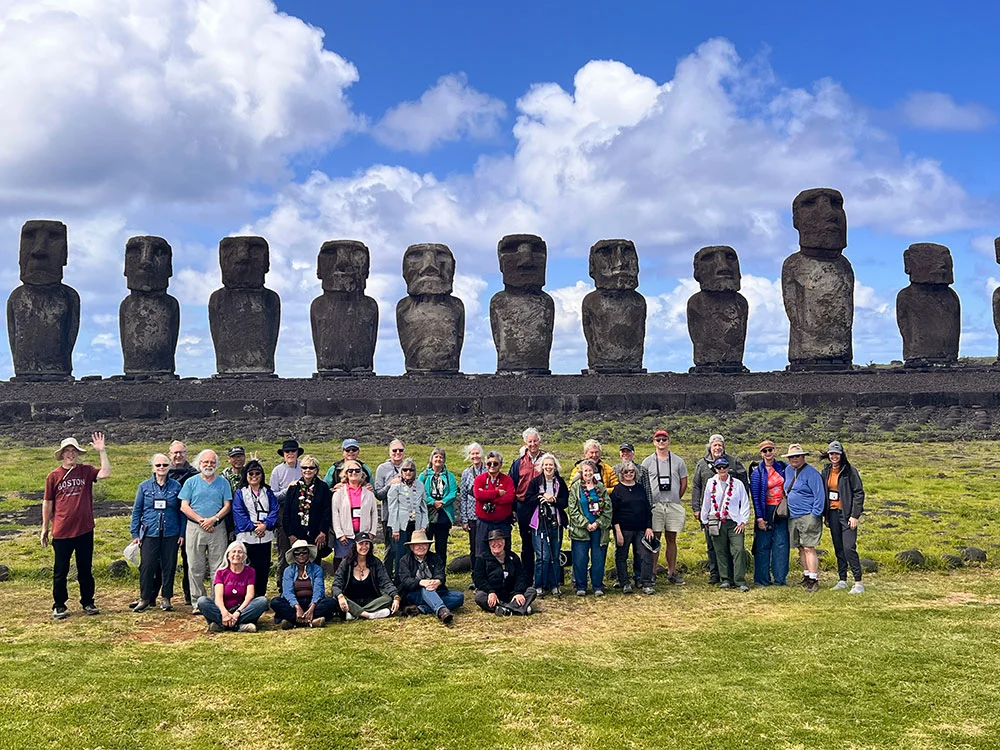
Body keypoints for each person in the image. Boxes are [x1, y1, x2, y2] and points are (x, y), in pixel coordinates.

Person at [42, 433, 111, 619]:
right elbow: (47, 502)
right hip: (62, 531)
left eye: (73, 451)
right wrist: (44, 528)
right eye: (67, 451)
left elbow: (105, 473)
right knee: (60, 570)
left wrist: (102, 451)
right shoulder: (53, 476)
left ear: (77, 454)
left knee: (85, 569)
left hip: (84, 530)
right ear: (62, 454)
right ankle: (59, 605)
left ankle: (88, 602)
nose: (71, 454)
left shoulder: (85, 471)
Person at [179, 449, 233, 613]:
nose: (209, 465)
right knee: (195, 566)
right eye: (205, 462)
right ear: (199, 463)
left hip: (217, 528)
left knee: (218, 567)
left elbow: (227, 506)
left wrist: (214, 519)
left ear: (216, 465)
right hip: (195, 528)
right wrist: (201, 520)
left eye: (212, 462)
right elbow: (184, 506)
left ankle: (216, 600)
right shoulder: (191, 482)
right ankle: (198, 602)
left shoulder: (223, 482)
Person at [690, 433, 747, 585]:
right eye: (714, 445)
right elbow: (696, 486)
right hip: (711, 514)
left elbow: (743, 486)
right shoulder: (702, 464)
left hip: (732, 514)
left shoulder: (734, 462)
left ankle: (735, 577)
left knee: (734, 548)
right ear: (710, 447)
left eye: (720, 445)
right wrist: (696, 508)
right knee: (713, 546)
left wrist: (741, 514)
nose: (717, 447)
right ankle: (716, 575)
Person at [129, 453, 183, 612]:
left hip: (171, 532)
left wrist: (182, 533)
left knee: (169, 566)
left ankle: (166, 598)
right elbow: (137, 511)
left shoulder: (176, 486)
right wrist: (135, 534)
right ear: (153, 467)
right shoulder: (144, 487)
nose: (161, 468)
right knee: (147, 566)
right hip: (149, 532)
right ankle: (144, 598)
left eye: (165, 465)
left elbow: (181, 512)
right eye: (158, 465)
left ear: (170, 467)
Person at [640, 430, 689, 585]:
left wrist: (675, 497)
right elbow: (642, 483)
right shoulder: (647, 462)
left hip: (673, 504)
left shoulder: (678, 461)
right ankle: (652, 572)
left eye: (664, 439)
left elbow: (684, 483)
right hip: (655, 505)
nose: (661, 442)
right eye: (658, 440)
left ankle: (672, 572)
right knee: (654, 539)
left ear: (669, 441)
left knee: (671, 539)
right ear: (654, 442)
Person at [699, 457, 751, 592]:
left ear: (728, 468)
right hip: (717, 521)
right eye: (719, 467)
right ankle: (725, 579)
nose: (722, 470)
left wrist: (743, 521)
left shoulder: (738, 484)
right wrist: (705, 520)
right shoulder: (711, 483)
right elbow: (706, 502)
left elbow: (745, 503)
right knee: (720, 550)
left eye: (724, 467)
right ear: (715, 469)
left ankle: (739, 580)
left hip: (734, 522)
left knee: (738, 550)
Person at [821, 441, 866, 594]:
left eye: (836, 453)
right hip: (833, 514)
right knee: (839, 547)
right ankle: (842, 580)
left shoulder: (849, 471)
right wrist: (825, 515)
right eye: (831, 453)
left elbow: (859, 493)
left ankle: (858, 582)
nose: (834, 456)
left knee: (849, 547)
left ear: (841, 454)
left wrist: (854, 515)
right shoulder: (826, 470)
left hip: (846, 514)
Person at [197, 541, 269, 632]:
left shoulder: (250, 571)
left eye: (240, 552)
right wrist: (224, 613)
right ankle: (238, 626)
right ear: (228, 555)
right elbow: (218, 597)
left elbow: (249, 596)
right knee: (202, 601)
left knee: (263, 601)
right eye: (233, 552)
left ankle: (222, 625)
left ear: (244, 556)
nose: (236, 554)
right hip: (223, 609)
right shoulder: (221, 572)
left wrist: (237, 613)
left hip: (242, 609)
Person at [231, 459, 279, 597]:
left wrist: (266, 525)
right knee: (245, 568)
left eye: (257, 473)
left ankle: (260, 597)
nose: (254, 476)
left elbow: (274, 510)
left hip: (265, 537)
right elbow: (238, 512)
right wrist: (253, 527)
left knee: (262, 569)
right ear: (246, 475)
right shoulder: (241, 492)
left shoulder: (267, 491)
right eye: (250, 473)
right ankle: (243, 596)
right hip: (246, 538)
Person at [782, 444, 826, 593]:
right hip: (793, 516)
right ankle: (806, 576)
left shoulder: (812, 473)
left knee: (808, 547)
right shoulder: (788, 471)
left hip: (808, 515)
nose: (794, 459)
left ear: (803, 457)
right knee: (800, 547)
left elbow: (819, 495)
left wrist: (815, 514)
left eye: (797, 456)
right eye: (791, 457)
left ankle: (814, 579)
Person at [397, 529, 465, 623]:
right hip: (414, 594)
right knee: (426, 588)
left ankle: (421, 609)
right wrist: (421, 582)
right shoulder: (404, 560)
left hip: (436, 591)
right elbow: (406, 581)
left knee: (459, 597)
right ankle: (441, 610)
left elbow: (441, 574)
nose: (421, 547)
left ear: (428, 546)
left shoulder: (435, 558)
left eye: (424, 544)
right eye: (418, 545)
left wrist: (438, 581)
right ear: (411, 547)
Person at [523, 453, 568, 597]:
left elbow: (565, 501)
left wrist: (554, 500)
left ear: (555, 467)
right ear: (541, 466)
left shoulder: (560, 482)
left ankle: (553, 585)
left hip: (556, 522)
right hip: (539, 523)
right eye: (546, 464)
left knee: (555, 555)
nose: (548, 467)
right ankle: (539, 585)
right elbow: (528, 499)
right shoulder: (535, 482)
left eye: (551, 465)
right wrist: (540, 497)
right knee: (542, 556)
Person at [331, 532, 401, 620]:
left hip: (372, 601)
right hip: (351, 601)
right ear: (355, 545)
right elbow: (336, 584)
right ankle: (369, 615)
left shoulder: (375, 562)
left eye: (367, 544)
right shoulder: (346, 563)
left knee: (388, 598)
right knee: (336, 598)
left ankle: (356, 614)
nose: (364, 547)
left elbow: (386, 582)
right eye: (361, 544)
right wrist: (340, 596)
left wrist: (396, 596)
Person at [567, 459, 611, 597]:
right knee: (580, 558)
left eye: (590, 471)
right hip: (581, 529)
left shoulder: (601, 488)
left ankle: (597, 585)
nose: (588, 473)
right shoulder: (576, 487)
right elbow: (572, 509)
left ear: (594, 472)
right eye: (585, 471)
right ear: (581, 472)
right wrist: (585, 524)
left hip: (599, 529)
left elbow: (608, 509)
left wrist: (597, 523)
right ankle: (581, 586)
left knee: (598, 558)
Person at [610, 461, 655, 595]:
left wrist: (649, 527)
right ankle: (624, 582)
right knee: (622, 555)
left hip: (641, 528)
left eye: (631, 471)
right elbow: (615, 513)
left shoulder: (640, 488)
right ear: (621, 474)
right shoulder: (617, 490)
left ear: (635, 473)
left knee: (645, 554)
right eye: (626, 472)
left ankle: (645, 582)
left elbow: (647, 509)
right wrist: (618, 532)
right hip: (624, 529)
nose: (629, 474)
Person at [271, 539, 337, 629]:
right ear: (294, 556)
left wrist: (312, 607)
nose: (301, 555)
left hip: (312, 602)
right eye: (297, 553)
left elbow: (319, 590)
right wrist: (297, 607)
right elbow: (287, 592)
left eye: (304, 552)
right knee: (275, 602)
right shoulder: (288, 570)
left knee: (331, 602)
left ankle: (293, 621)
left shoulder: (317, 569)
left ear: (308, 554)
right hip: (294, 604)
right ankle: (311, 621)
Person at [749, 440, 789, 586]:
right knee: (762, 545)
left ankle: (780, 578)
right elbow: (755, 497)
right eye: (764, 451)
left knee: (781, 544)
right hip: (765, 510)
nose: (768, 453)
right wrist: (759, 517)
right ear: (761, 453)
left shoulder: (783, 467)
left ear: (774, 450)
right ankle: (761, 579)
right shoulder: (757, 473)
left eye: (770, 450)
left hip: (781, 511)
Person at [164, 440, 198, 607]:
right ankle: (155, 595)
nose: (178, 455)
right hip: (167, 520)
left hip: (190, 520)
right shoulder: (163, 471)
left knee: (189, 560)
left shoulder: (194, 474)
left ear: (186, 454)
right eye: (175, 453)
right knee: (162, 561)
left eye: (181, 452)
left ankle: (189, 595)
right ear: (170, 454)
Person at [508, 428, 544, 583]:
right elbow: (512, 485)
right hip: (523, 507)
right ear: (525, 443)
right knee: (526, 544)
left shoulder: (546, 460)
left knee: (543, 543)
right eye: (530, 441)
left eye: (535, 441)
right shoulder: (518, 463)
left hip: (542, 506)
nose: (533, 444)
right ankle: (527, 578)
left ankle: (544, 578)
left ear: (539, 441)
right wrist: (513, 510)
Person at [473, 529, 537, 616]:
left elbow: (521, 576)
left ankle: (504, 609)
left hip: (511, 594)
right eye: (493, 541)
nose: (496, 544)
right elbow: (479, 579)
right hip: (493, 595)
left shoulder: (513, 557)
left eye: (499, 540)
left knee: (531, 591)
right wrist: (490, 592)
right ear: (489, 544)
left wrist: (518, 592)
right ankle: (517, 608)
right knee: (479, 597)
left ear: (504, 542)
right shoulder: (482, 559)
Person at [331, 459, 379, 571]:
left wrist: (372, 532)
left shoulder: (368, 492)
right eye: (350, 471)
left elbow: (374, 513)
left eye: (357, 470)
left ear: (361, 473)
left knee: (362, 562)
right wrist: (339, 534)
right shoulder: (339, 492)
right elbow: (335, 514)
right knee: (343, 563)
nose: (354, 473)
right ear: (345, 474)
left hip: (363, 533)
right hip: (345, 535)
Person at [282, 454, 331, 558]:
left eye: (311, 467)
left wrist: (323, 532)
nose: (307, 470)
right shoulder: (293, 488)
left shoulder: (323, 487)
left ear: (316, 470)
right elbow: (286, 513)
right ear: (301, 470)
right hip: (296, 534)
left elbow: (327, 511)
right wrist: (290, 535)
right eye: (304, 467)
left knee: (315, 562)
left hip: (316, 534)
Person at [270, 439, 303, 585]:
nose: (290, 454)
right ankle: (282, 583)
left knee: (302, 548)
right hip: (283, 512)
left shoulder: (304, 466)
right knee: (284, 549)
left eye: (293, 451)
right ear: (283, 454)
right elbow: (272, 496)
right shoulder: (277, 471)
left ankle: (302, 581)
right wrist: (288, 490)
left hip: (303, 510)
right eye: (287, 452)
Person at [387, 458, 428, 574]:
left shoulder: (420, 485)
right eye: (405, 470)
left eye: (411, 470)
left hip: (416, 525)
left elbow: (424, 508)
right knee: (400, 554)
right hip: (400, 526)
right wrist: (395, 529)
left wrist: (424, 525)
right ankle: (399, 582)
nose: (408, 472)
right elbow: (393, 509)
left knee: (416, 553)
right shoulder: (396, 487)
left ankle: (416, 577)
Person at [417, 447, 457, 563]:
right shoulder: (424, 475)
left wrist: (443, 502)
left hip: (444, 515)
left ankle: (441, 575)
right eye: (436, 456)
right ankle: (425, 571)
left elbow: (453, 492)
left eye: (441, 457)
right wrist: (432, 502)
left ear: (444, 460)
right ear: (432, 459)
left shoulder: (450, 476)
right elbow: (420, 491)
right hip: (427, 515)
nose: (438, 459)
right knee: (425, 545)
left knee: (441, 547)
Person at [472, 450, 515, 557]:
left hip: (502, 522)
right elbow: (478, 495)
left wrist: (488, 497)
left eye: (495, 463)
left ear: (500, 465)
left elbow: (509, 498)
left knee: (504, 550)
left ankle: (505, 573)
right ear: (485, 464)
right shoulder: (479, 479)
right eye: (489, 463)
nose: (492, 466)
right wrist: (497, 493)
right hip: (484, 523)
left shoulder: (507, 480)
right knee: (481, 552)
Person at [374, 439, 407, 577]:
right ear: (389, 452)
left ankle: (402, 577)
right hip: (389, 515)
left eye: (400, 450)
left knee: (404, 549)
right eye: (394, 450)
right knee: (390, 549)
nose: (397, 453)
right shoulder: (382, 468)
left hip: (406, 516)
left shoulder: (409, 466)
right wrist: (390, 485)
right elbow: (378, 494)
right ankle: (386, 577)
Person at [457, 442, 486, 573]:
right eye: (473, 454)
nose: (475, 456)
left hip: (486, 514)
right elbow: (462, 496)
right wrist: (464, 519)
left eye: (477, 453)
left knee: (486, 544)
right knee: (474, 547)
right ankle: (476, 574)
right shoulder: (466, 473)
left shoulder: (488, 470)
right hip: (472, 515)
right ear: (469, 456)